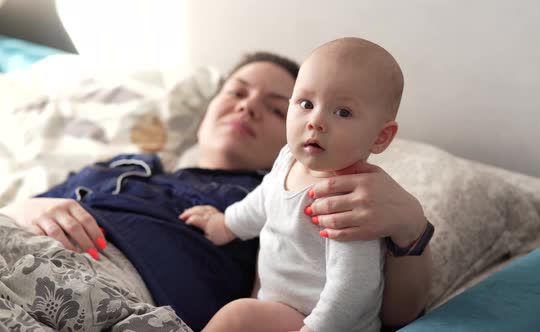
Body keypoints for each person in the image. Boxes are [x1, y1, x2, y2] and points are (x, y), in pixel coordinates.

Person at [0, 48, 432, 331]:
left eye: (274, 106)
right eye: (237, 92)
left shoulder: (292, 196)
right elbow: (13, 214)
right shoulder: (128, 166)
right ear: (207, 109)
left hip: (107, 288)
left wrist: (410, 226)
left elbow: (390, 310)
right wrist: (29, 206)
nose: (247, 106)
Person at [189, 37, 405, 332]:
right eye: (306, 103)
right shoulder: (288, 158)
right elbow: (264, 199)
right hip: (277, 308)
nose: (315, 121)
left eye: (343, 112)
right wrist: (226, 224)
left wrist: (314, 329)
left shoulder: (349, 199)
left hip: (325, 322)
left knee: (238, 317)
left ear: (380, 137)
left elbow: (354, 288)